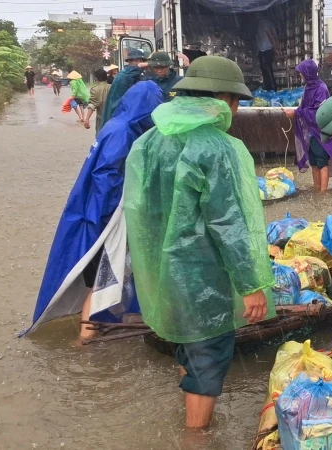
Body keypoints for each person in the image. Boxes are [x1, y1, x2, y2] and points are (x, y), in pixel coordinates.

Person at [124, 56, 275, 428]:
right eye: (235, 101)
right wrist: (251, 285)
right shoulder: (217, 147)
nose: (235, 111)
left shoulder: (150, 140)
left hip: (164, 271)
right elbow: (230, 223)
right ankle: (196, 438)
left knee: (187, 345)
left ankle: (189, 418)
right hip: (204, 274)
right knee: (208, 356)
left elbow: (140, 210)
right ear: (221, 98)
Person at [25, 81, 163, 340]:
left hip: (88, 210)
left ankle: (93, 331)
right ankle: (84, 339)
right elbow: (107, 177)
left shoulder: (113, 125)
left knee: (104, 272)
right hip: (102, 216)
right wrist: (109, 217)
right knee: (106, 274)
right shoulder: (124, 132)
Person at [285, 60, 332, 191]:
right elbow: (304, 107)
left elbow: (317, 112)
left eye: (301, 72)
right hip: (310, 133)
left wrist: (296, 113)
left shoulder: (321, 88)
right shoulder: (308, 88)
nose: (300, 75)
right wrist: (297, 112)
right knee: (314, 163)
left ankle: (323, 193)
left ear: (307, 72)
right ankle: (317, 190)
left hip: (320, 132)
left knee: (322, 162)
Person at [102, 48, 149, 127]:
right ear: (129, 62)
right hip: (120, 113)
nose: (138, 63)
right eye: (135, 61)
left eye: (140, 61)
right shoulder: (123, 75)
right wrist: (138, 67)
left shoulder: (141, 75)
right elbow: (128, 77)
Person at [83, 68, 111, 134]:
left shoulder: (94, 90)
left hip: (101, 120)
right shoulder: (113, 87)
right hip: (113, 119)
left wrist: (87, 119)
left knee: (101, 137)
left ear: (96, 78)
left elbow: (92, 106)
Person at [256, 14, 279, 91]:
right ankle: (269, 87)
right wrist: (276, 48)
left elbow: (271, 36)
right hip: (266, 49)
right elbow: (273, 36)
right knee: (266, 69)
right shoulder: (269, 22)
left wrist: (276, 48)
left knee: (267, 70)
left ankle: (272, 88)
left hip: (265, 49)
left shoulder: (263, 22)